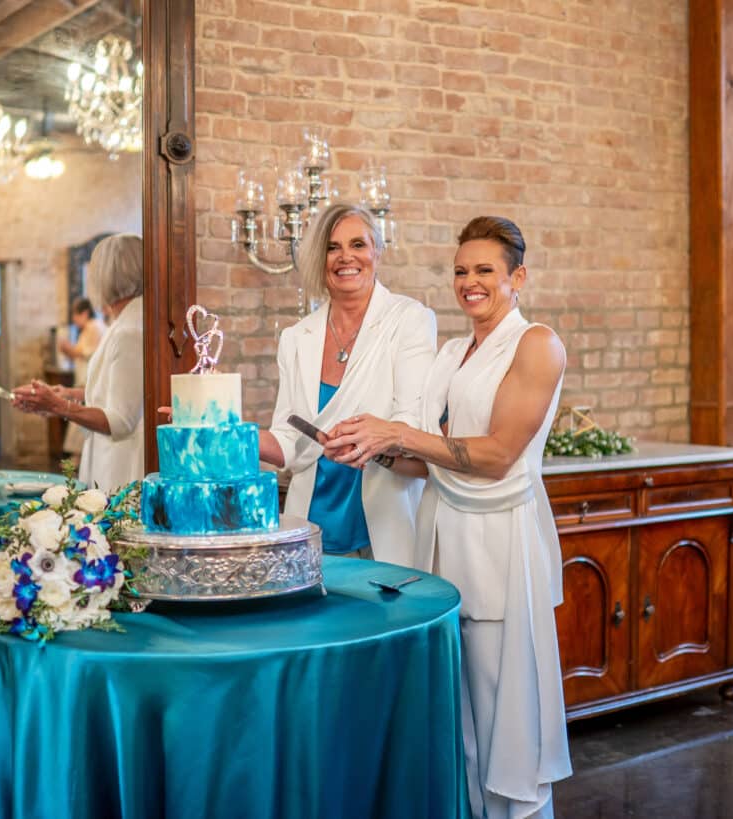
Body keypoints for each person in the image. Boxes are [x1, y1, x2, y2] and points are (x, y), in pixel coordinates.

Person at [325, 216, 572, 818]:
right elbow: (426, 462)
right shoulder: (453, 351)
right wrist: (371, 448)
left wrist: (400, 432)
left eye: (485, 270)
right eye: (461, 271)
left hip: (499, 541)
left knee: (502, 710)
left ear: (518, 277)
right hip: (442, 538)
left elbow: (493, 455)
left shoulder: (536, 343)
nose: (469, 282)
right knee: (458, 715)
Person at [258, 203, 437, 566]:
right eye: (332, 247)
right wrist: (222, 430)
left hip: (385, 525)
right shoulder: (296, 338)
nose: (345, 257)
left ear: (377, 251)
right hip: (311, 530)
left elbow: (410, 422)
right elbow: (288, 441)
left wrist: (368, 442)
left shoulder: (409, 320)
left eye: (358, 244)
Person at [13, 234, 144, 492]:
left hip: (120, 465)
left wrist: (59, 406)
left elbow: (120, 419)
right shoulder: (124, 323)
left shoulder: (130, 331)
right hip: (109, 454)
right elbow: (119, 389)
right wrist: (70, 394)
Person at [59, 298, 107, 456]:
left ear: (85, 313)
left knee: (81, 426)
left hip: (88, 383)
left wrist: (67, 348)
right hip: (84, 382)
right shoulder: (89, 328)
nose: (73, 319)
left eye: (75, 314)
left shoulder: (94, 327)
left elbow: (83, 353)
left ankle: (76, 466)